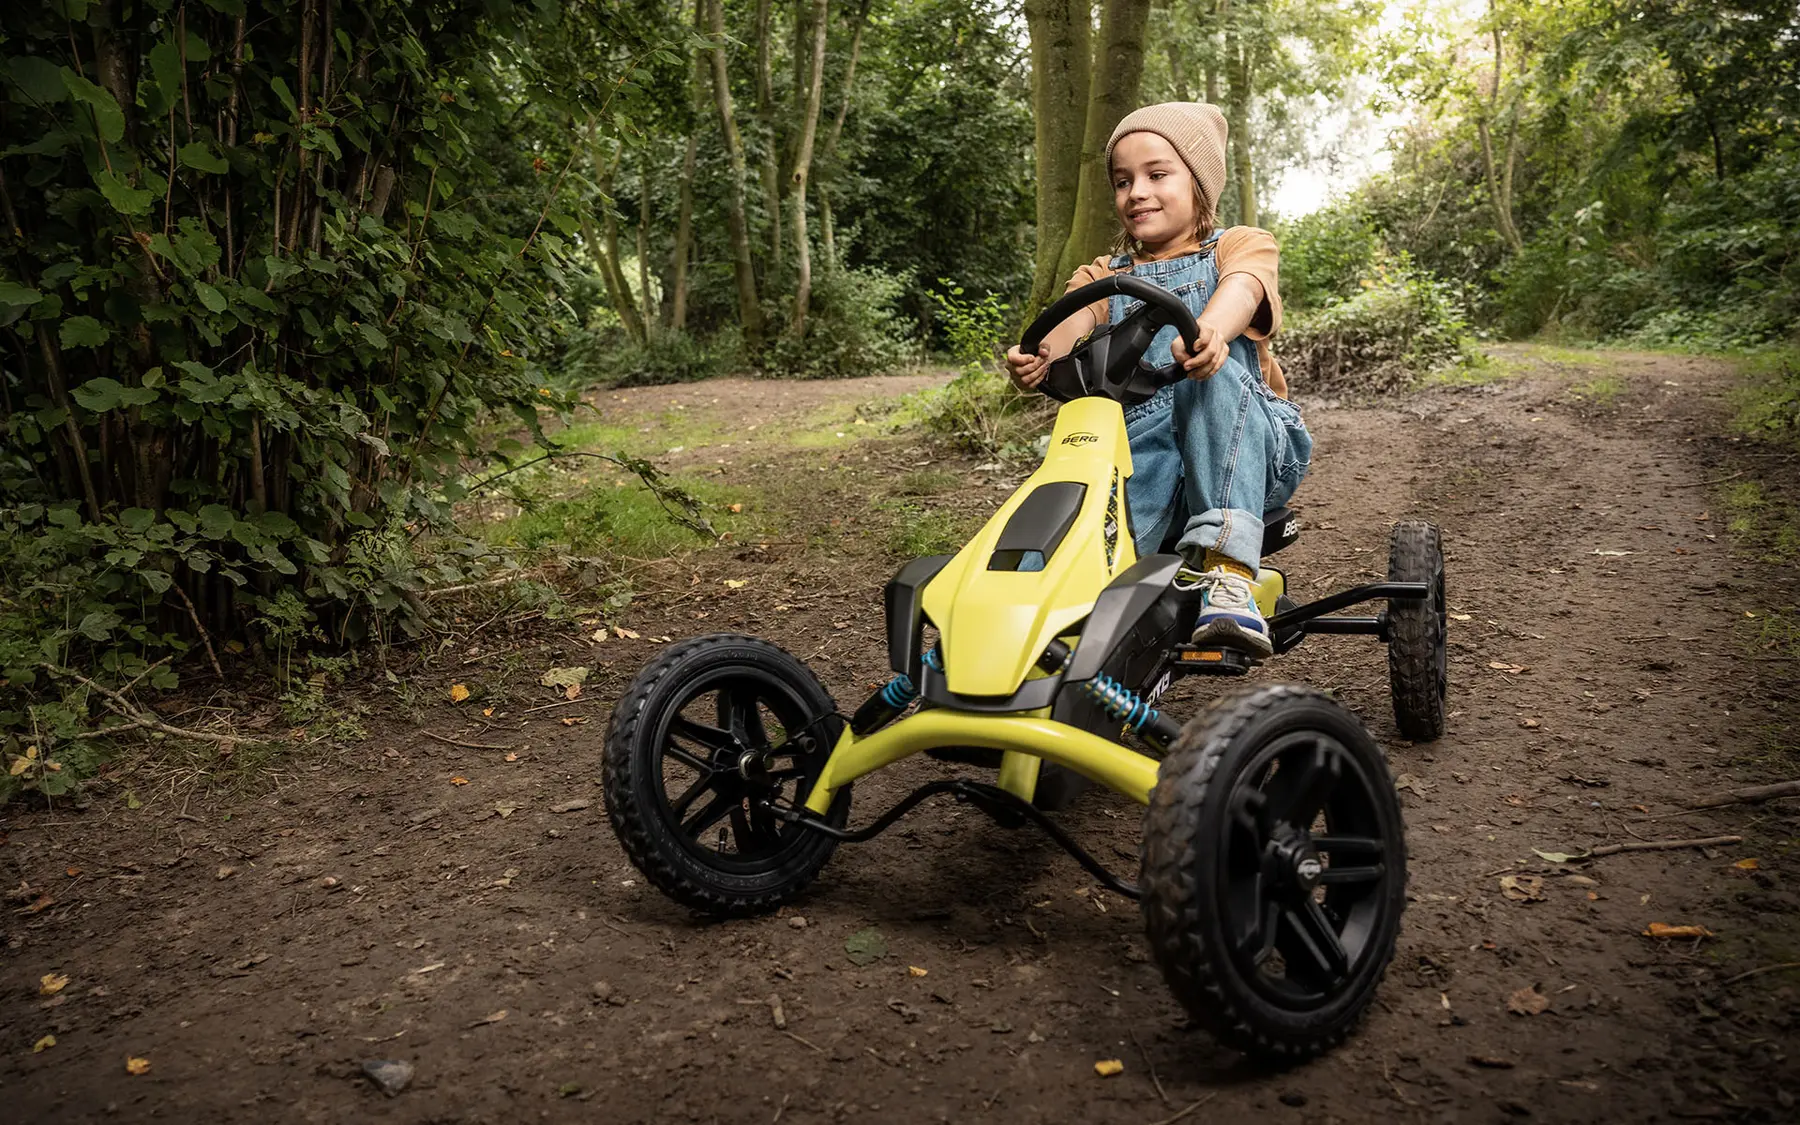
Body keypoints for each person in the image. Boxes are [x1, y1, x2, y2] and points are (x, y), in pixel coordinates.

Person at [1005, 102, 1311, 656]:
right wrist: (1041, 355)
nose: (1136, 193)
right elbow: (1071, 321)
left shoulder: (1240, 245)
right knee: (1089, 524)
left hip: (1249, 444)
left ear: (1198, 184)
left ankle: (1228, 573)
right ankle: (1033, 621)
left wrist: (1211, 332)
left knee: (1209, 377)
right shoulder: (1106, 274)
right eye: (1123, 182)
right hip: (1145, 453)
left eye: (1157, 175)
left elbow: (1243, 288)